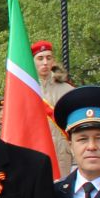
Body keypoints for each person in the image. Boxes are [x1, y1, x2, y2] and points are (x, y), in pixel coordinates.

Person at [32, 41, 75, 175]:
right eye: (40, 58)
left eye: (48, 58)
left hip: (62, 152)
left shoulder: (68, 90)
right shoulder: (25, 89)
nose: (45, 62)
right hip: (34, 149)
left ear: (53, 61)